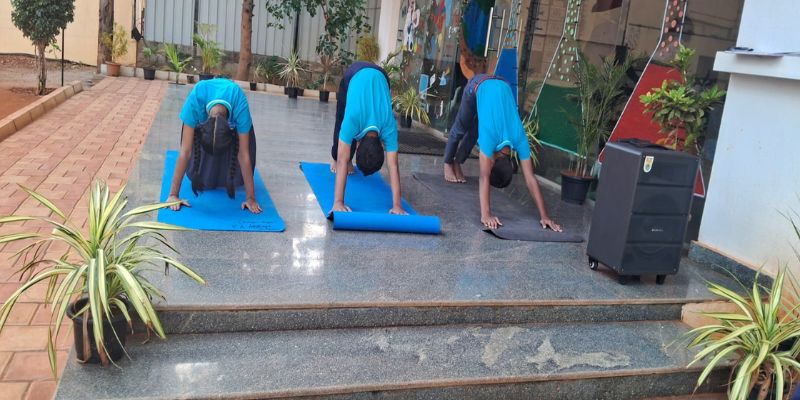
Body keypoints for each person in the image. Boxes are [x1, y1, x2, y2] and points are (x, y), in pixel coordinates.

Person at [444, 73, 562, 232]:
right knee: (461, 127)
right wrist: (486, 215)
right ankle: (447, 163)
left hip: (502, 82)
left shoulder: (519, 138)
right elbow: (484, 177)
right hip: (477, 84)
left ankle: (457, 162)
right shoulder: (490, 139)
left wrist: (545, 216)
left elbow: (530, 178)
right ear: (492, 163)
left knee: (475, 131)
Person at [167, 78, 262, 214]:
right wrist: (173, 194)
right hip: (203, 123)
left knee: (237, 179)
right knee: (207, 181)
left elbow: (243, 154)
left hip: (233, 126)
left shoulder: (239, 103)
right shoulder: (196, 99)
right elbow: (185, 151)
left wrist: (251, 198)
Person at [331, 61, 406, 215]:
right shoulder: (354, 119)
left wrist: (397, 205)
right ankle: (334, 158)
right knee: (341, 119)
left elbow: (393, 166)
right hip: (355, 72)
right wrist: (338, 202)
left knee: (343, 140)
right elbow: (393, 166)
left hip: (380, 75)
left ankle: (346, 159)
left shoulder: (389, 126)